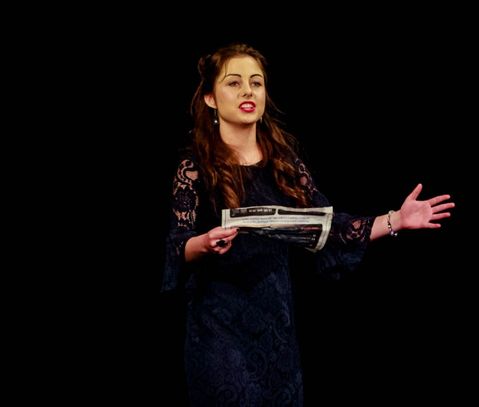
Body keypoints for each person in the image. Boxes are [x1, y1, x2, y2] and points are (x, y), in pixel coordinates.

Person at [161, 42, 454, 406]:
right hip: (218, 329)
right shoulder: (194, 167)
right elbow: (178, 245)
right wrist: (204, 243)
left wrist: (396, 219)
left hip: (276, 327)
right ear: (210, 98)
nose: (248, 91)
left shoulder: (284, 162)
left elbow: (330, 228)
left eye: (256, 83)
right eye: (234, 83)